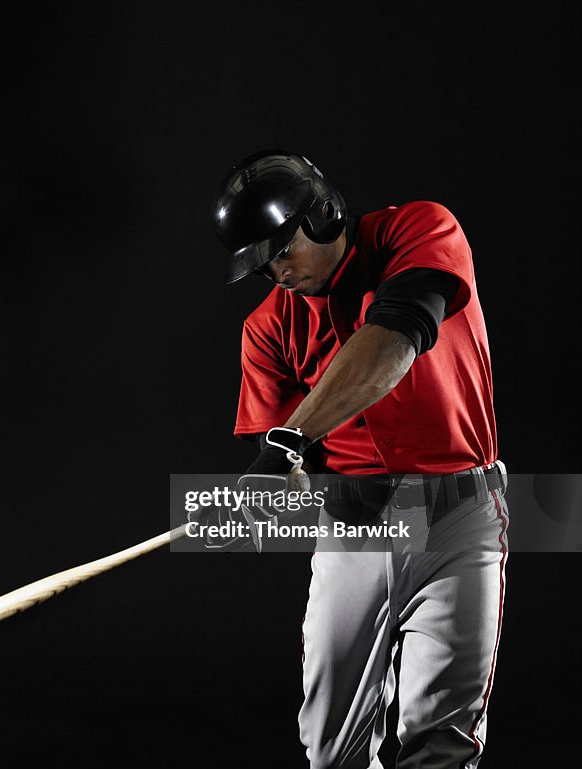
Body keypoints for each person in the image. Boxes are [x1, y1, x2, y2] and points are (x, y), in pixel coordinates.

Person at [211, 150, 509, 768]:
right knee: (331, 745)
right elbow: (282, 464)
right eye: (262, 265)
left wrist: (288, 439)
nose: (277, 272)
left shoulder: (416, 231)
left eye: (283, 249)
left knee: (441, 740)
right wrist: (276, 490)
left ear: (323, 215)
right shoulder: (266, 329)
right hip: (352, 523)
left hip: (459, 511)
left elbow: (395, 339)